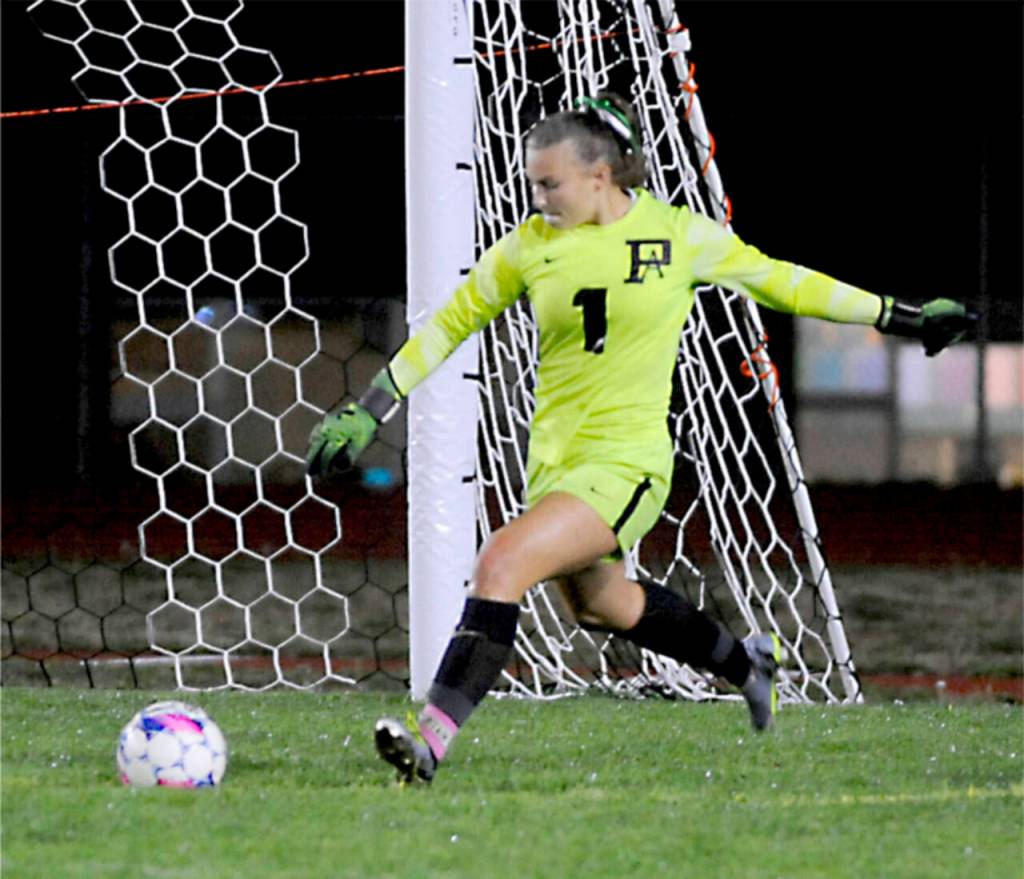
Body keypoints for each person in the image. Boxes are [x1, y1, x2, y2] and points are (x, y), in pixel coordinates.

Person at [306, 93, 976, 785]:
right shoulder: (528, 248)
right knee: (603, 604)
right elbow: (447, 325)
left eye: (550, 183)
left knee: (500, 563)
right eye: (532, 183)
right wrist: (372, 406)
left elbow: (785, 283)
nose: (538, 197)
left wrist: (901, 316)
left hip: (627, 464)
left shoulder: (678, 236)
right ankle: (746, 663)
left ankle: (428, 746)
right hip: (555, 463)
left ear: (601, 176)